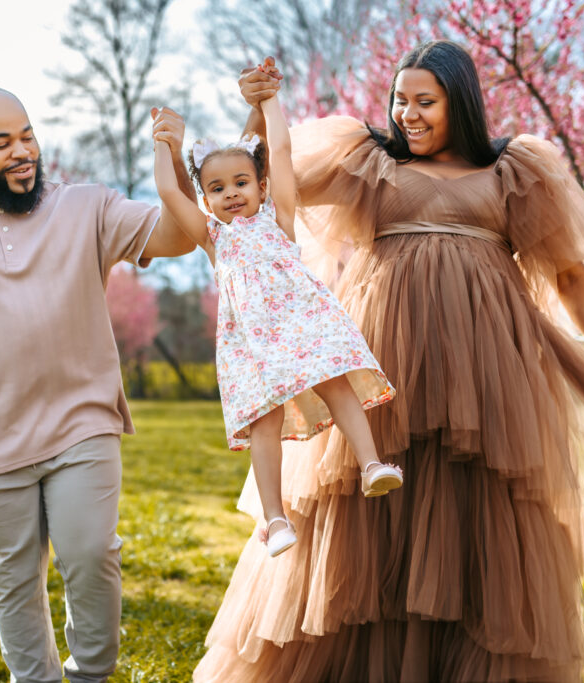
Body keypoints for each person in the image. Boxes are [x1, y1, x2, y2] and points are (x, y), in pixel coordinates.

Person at [193, 44, 584, 682]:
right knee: (367, 508)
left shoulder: (512, 171)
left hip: (485, 370)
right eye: (400, 100)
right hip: (380, 358)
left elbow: (570, 276)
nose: (408, 114)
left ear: (461, 102)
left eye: (426, 102)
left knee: (477, 508)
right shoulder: (366, 160)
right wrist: (260, 109)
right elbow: (267, 182)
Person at [0, 87, 196, 683]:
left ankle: (90, 675)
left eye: (27, 136)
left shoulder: (85, 206)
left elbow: (180, 238)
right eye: (2, 143)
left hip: (82, 422)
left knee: (92, 556)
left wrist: (173, 159)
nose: (22, 152)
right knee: (14, 581)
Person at [152, 64, 397, 559]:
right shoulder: (214, 238)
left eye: (241, 182)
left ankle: (372, 464)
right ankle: (275, 518)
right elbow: (167, 192)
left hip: (304, 325)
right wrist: (164, 144)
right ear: (208, 201)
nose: (231, 194)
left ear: (261, 187)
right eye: (217, 189)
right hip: (254, 345)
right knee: (265, 424)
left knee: (336, 380)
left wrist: (269, 102)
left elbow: (279, 150)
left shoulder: (278, 219)